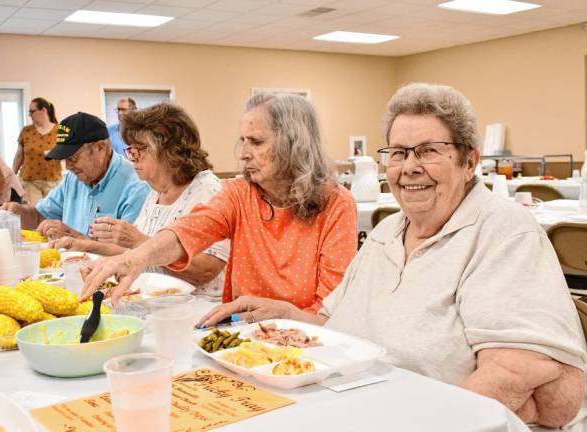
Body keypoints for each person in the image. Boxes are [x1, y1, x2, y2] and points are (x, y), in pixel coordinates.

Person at [194, 83, 587, 430]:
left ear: (469, 161)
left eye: (428, 151)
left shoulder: (503, 231)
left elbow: (521, 378)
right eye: (398, 153)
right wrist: (283, 313)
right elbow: (335, 321)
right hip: (357, 404)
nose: (409, 167)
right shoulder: (387, 232)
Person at [81, 92, 358, 311]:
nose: (244, 154)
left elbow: (330, 307)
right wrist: (136, 258)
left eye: (257, 142)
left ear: (294, 144)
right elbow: (187, 232)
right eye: (243, 141)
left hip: (307, 342)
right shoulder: (239, 194)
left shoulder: (336, 203)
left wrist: (284, 318)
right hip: (241, 334)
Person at [54, 103, 229, 297]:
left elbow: (206, 270)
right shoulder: (156, 193)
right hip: (158, 303)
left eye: (140, 149)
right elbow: (133, 252)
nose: (132, 157)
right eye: (131, 149)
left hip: (197, 311)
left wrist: (138, 241)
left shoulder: (207, 191)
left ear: (172, 151)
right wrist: (87, 249)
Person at [2, 112, 149, 240]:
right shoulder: (73, 179)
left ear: (100, 147)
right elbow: (41, 216)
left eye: (73, 158)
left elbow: (129, 252)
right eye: (65, 159)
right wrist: (18, 213)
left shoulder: (136, 186)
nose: (68, 167)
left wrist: (73, 237)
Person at [12, 97, 62, 205]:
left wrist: (55, 152)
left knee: (51, 213)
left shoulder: (60, 131)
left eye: (32, 111)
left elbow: (68, 154)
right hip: (29, 181)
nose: (30, 115)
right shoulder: (26, 131)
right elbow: (19, 156)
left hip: (52, 181)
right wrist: (12, 176)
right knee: (34, 213)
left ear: (43, 110)